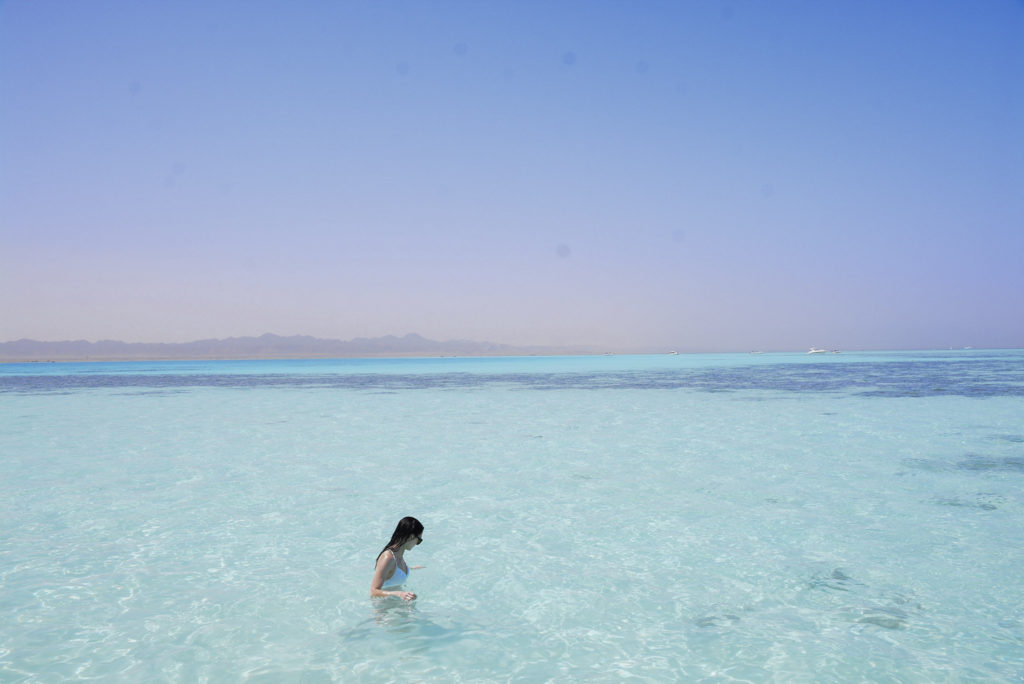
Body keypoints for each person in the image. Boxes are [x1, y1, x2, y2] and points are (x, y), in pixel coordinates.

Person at [370, 516, 424, 600]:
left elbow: (394, 572)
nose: (417, 544)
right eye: (419, 540)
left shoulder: (398, 555)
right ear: (411, 537)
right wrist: (398, 594)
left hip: (395, 606)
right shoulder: (387, 558)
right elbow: (373, 591)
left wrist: (411, 568)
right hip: (384, 610)